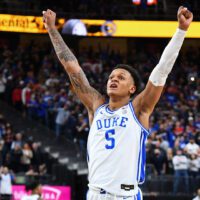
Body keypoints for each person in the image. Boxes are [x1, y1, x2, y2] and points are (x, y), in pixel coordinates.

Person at [42, 6, 193, 200]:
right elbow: (72, 68)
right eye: (111, 77)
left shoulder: (139, 109)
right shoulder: (96, 106)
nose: (113, 79)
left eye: (121, 77)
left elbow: (162, 70)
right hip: (95, 194)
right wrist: (52, 30)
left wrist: (181, 31)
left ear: (132, 88)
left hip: (125, 196)